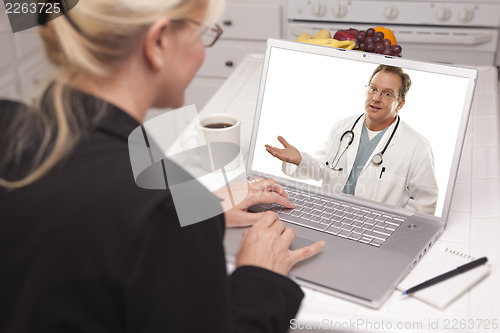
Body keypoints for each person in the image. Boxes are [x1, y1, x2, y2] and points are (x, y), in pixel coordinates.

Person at [0, 1, 325, 332]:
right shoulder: (159, 212)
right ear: (158, 42)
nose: (202, 51)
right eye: (202, 34)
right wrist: (261, 277)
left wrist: (201, 207)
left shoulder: (8, 123)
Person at [265, 65, 438, 215]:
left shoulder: (417, 146)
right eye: (373, 89)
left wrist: (396, 230)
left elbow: (424, 202)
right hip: (330, 214)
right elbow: (323, 169)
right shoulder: (343, 127)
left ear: (400, 104)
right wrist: (299, 160)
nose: (376, 98)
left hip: (377, 228)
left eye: (387, 94)